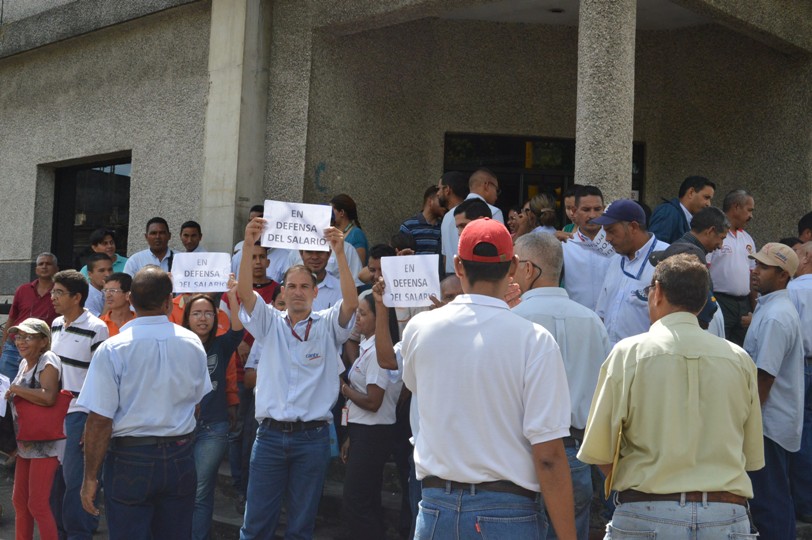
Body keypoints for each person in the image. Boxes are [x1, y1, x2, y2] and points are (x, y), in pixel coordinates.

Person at [402, 218, 576, 539]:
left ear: (458, 265)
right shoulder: (534, 340)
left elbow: (418, 385)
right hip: (507, 511)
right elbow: (549, 456)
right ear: (512, 266)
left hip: (435, 506)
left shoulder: (419, 329)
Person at [578, 254, 764, 538]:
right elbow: (750, 457)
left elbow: (599, 450)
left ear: (659, 292)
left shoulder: (629, 354)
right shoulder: (739, 359)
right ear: (703, 301)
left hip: (646, 510)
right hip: (725, 512)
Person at [236, 218, 358, 540]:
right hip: (270, 438)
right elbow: (245, 294)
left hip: (312, 440)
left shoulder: (328, 325)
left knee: (301, 527)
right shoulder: (269, 322)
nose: (298, 292)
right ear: (283, 291)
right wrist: (249, 243)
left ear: (316, 293)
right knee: (255, 525)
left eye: (305, 286)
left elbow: (351, 303)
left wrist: (340, 253)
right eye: (291, 286)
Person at [78, 266, 211, 540]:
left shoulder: (113, 348)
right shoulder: (193, 343)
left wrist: (90, 477)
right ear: (167, 302)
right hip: (179, 454)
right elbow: (197, 403)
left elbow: (99, 420)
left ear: (131, 300)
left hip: (131, 458)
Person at [512, 233, 610, 540]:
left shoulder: (515, 319)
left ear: (528, 269)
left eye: (514, 264)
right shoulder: (592, 321)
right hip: (577, 452)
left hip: (525, 453)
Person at [743, 243, 804, 539]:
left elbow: (764, 377)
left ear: (783, 276)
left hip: (768, 424)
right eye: (756, 265)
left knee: (769, 502)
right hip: (770, 421)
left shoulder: (776, 315)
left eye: (764, 267)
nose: (755, 271)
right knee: (773, 497)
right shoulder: (769, 307)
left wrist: (746, 421)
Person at [49, 269, 109, 540]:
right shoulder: (55, 324)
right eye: (53, 292)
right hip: (52, 413)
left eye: (59, 293)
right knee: (53, 482)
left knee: (76, 482)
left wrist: (90, 422)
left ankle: (79, 534)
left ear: (77, 297)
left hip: (78, 414)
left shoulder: (97, 328)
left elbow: (101, 379)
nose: (53, 297)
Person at [339, 291, 401, 540]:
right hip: (363, 430)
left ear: (380, 319)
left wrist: (343, 388)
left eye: (363, 313)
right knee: (366, 498)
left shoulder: (378, 352)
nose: (358, 318)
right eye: (357, 312)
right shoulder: (367, 347)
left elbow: (373, 401)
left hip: (374, 433)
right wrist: (350, 435)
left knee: (356, 501)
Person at [182, 288, 243, 540]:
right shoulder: (177, 343)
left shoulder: (222, 344)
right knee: (179, 490)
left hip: (213, 429)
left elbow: (238, 330)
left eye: (208, 313)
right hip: (179, 429)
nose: (203, 318)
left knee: (200, 491)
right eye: (196, 313)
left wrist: (234, 295)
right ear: (186, 318)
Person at [5, 318, 63, 540]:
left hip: (44, 444)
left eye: (28, 337)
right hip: (25, 442)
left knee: (37, 504)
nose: (21, 342)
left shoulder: (48, 359)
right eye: (18, 337)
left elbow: (49, 396)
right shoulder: (23, 363)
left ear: (44, 341)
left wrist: (16, 389)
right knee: (19, 501)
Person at [593, 199, 669, 345]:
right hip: (611, 358)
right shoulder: (615, 260)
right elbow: (601, 312)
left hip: (644, 359)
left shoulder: (666, 258)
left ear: (633, 227)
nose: (607, 238)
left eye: (611, 231)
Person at [707, 189, 756, 346]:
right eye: (749, 210)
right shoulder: (715, 234)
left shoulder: (747, 238)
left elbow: (752, 275)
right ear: (736, 207)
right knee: (719, 344)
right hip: (720, 301)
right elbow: (704, 269)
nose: (751, 216)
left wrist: (754, 309)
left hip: (744, 304)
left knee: (742, 348)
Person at [1, 253, 59, 381]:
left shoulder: (59, 292)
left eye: (48, 264)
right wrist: (3, 346)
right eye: (41, 264)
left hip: (39, 349)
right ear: (36, 269)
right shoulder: (23, 290)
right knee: (4, 388)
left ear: (56, 269)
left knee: (29, 389)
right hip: (13, 347)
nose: (44, 266)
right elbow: (11, 319)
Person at [561, 186, 615, 312]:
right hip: (577, 322)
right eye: (586, 209)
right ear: (574, 211)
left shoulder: (618, 246)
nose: (592, 215)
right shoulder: (565, 247)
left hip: (611, 323)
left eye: (597, 209)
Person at [789, 241, 812, 522]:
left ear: (805, 258)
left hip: (803, 367)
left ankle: (805, 504)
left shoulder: (793, 290)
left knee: (802, 434)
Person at [648, 175, 715, 244]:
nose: (708, 204)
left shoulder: (686, 217)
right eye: (706, 197)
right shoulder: (668, 212)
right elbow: (655, 249)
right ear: (691, 193)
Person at [438, 171, 470, 275]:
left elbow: (445, 258)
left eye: (439, 189)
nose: (437, 193)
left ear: (447, 190)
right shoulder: (447, 217)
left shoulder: (449, 217)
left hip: (456, 276)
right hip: (465, 275)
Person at [399, 185, 444, 256]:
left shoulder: (443, 226)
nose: (444, 204)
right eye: (440, 200)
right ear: (430, 202)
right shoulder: (408, 226)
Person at [332, 194, 369, 265]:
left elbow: (359, 265)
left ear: (341, 213)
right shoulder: (334, 232)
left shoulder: (356, 235)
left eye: (332, 210)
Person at [99, 273, 135, 337]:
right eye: (105, 290)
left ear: (128, 295)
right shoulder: (99, 324)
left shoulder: (139, 321)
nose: (108, 295)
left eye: (113, 291)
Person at [83, 253, 113, 317]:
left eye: (110, 270)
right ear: (90, 274)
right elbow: (99, 324)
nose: (107, 274)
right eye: (102, 271)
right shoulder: (86, 296)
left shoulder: (118, 291)